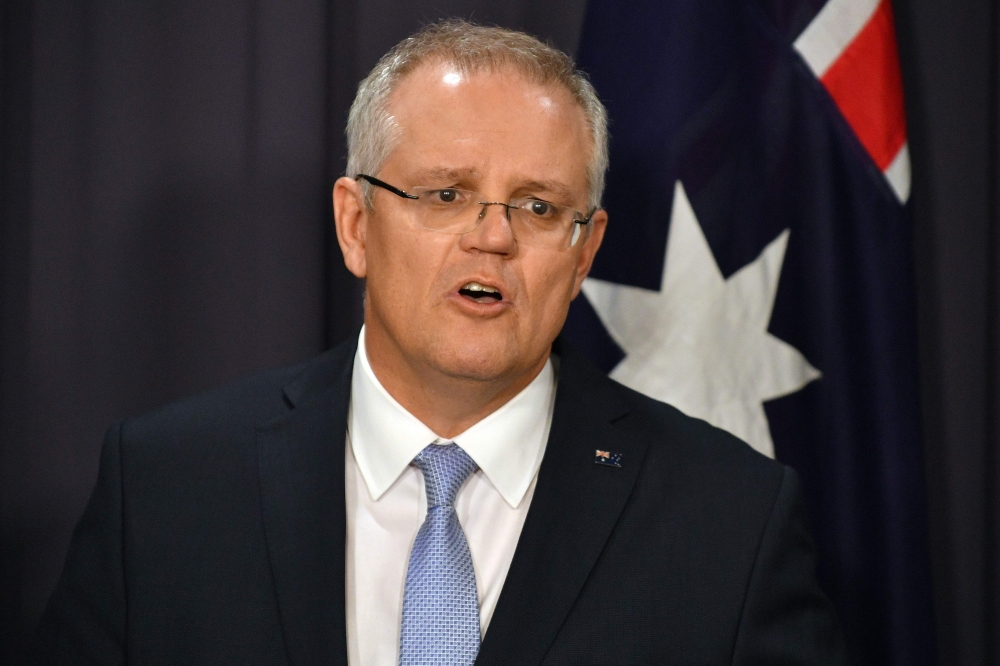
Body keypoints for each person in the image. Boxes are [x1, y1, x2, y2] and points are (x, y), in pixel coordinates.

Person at [31, 19, 848, 665]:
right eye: (446, 194)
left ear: (584, 252)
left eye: (536, 207)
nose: (491, 238)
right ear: (356, 224)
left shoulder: (731, 523)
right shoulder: (167, 488)